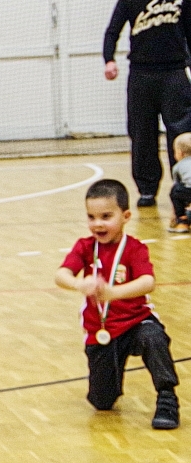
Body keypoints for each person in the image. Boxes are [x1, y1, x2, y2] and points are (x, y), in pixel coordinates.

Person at [56, 178, 179, 429]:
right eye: (91, 217)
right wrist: (79, 284)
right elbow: (61, 275)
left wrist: (113, 292)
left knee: (153, 337)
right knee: (102, 402)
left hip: (135, 323)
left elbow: (147, 282)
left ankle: (167, 398)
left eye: (106, 216)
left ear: (125, 216)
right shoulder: (85, 247)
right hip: (102, 331)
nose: (98, 224)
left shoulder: (134, 248)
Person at [102, 0, 191, 207]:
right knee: (142, 133)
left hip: (174, 73)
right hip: (141, 75)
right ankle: (147, 189)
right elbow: (112, 31)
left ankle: (185, 185)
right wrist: (109, 59)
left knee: (181, 132)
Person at [170, 134, 191, 234]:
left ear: (180, 153)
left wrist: (174, 213)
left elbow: (177, 185)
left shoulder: (177, 167)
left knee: (175, 191)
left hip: (188, 191)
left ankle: (182, 221)